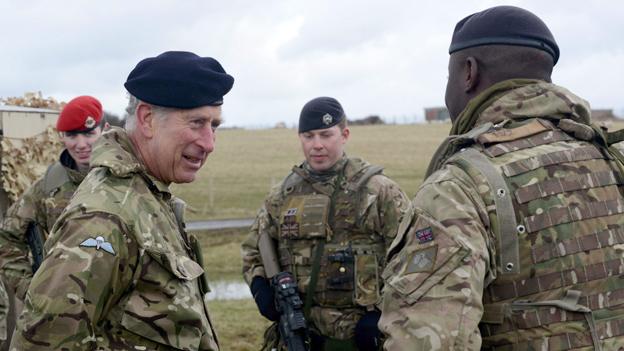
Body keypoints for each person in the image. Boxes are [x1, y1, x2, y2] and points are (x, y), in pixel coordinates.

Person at [379, 5, 624, 350]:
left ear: (468, 73)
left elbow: (428, 340)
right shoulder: (611, 160)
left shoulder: (459, 188)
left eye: (447, 76)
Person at [10, 51, 234, 350]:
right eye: (196, 123)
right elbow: (42, 341)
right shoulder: (104, 217)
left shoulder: (147, 195)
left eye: (214, 126)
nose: (209, 143)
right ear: (147, 119)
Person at [242, 97, 409, 351]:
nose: (317, 145)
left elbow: (413, 258)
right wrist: (260, 288)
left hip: (366, 337)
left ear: (344, 135)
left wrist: (384, 314)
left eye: (326, 135)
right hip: (301, 335)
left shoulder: (378, 191)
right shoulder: (282, 196)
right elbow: (254, 250)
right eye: (308, 136)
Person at [0, 95, 105, 349]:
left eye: (88, 133)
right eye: (71, 135)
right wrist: (32, 289)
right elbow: (7, 239)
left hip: (117, 316)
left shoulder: (128, 181)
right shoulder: (47, 188)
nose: (80, 144)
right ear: (62, 138)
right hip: (63, 323)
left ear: (104, 129)